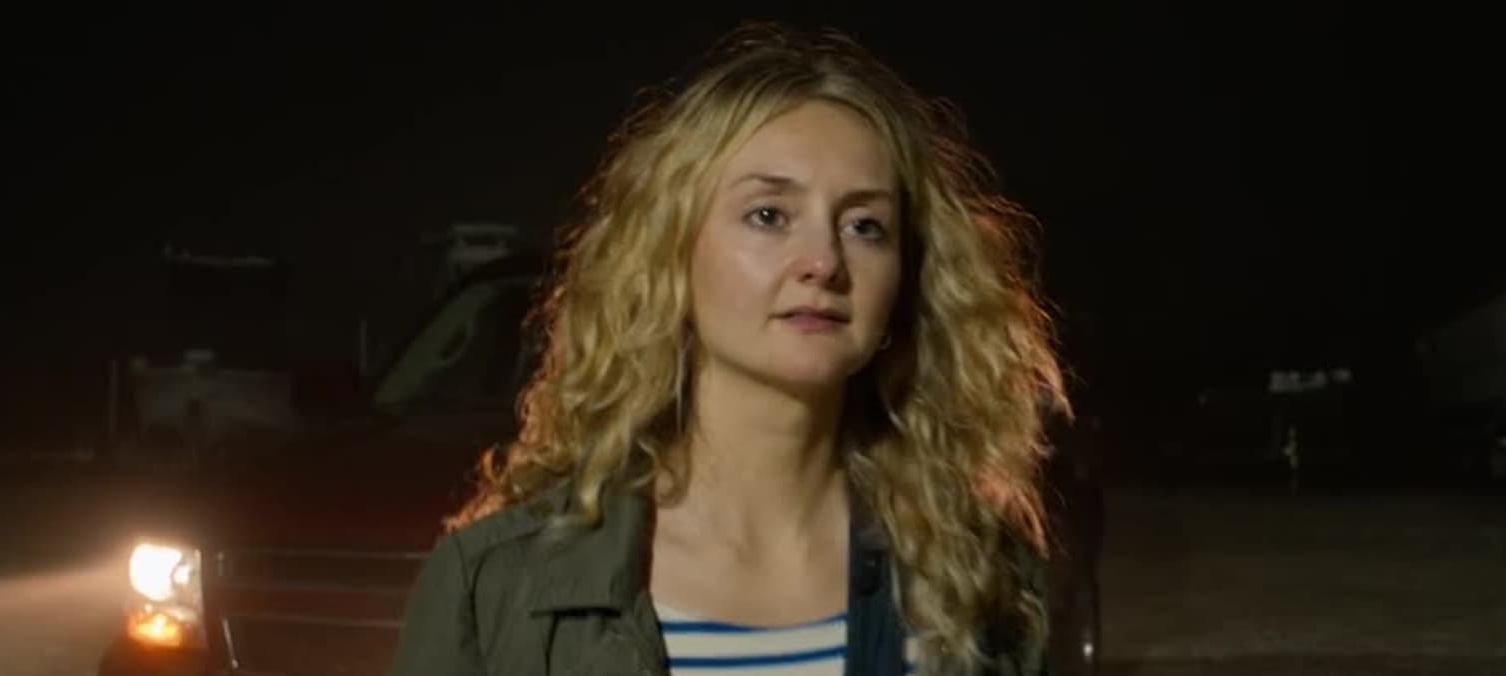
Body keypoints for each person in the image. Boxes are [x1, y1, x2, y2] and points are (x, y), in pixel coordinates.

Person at [390, 20, 1070, 676]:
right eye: (768, 215)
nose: (823, 262)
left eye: (865, 226)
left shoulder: (980, 579)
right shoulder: (495, 588)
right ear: (670, 251)